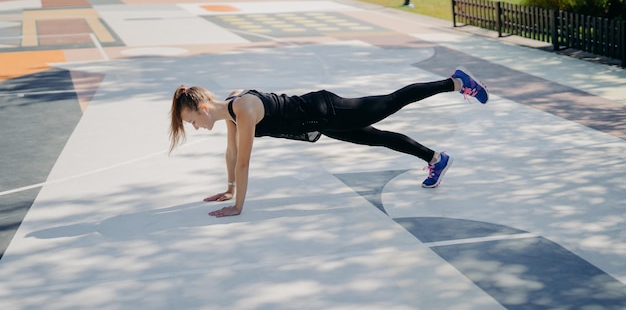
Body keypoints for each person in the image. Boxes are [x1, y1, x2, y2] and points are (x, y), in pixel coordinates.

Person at [169, 68, 488, 217]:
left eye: (192, 121)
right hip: (321, 118)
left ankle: (457, 82)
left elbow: (243, 161)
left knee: (390, 102)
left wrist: (238, 205)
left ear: (203, 108)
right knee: (375, 138)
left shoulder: (243, 108)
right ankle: (435, 159)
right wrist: (229, 189)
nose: (195, 127)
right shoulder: (231, 107)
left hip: (326, 110)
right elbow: (231, 152)